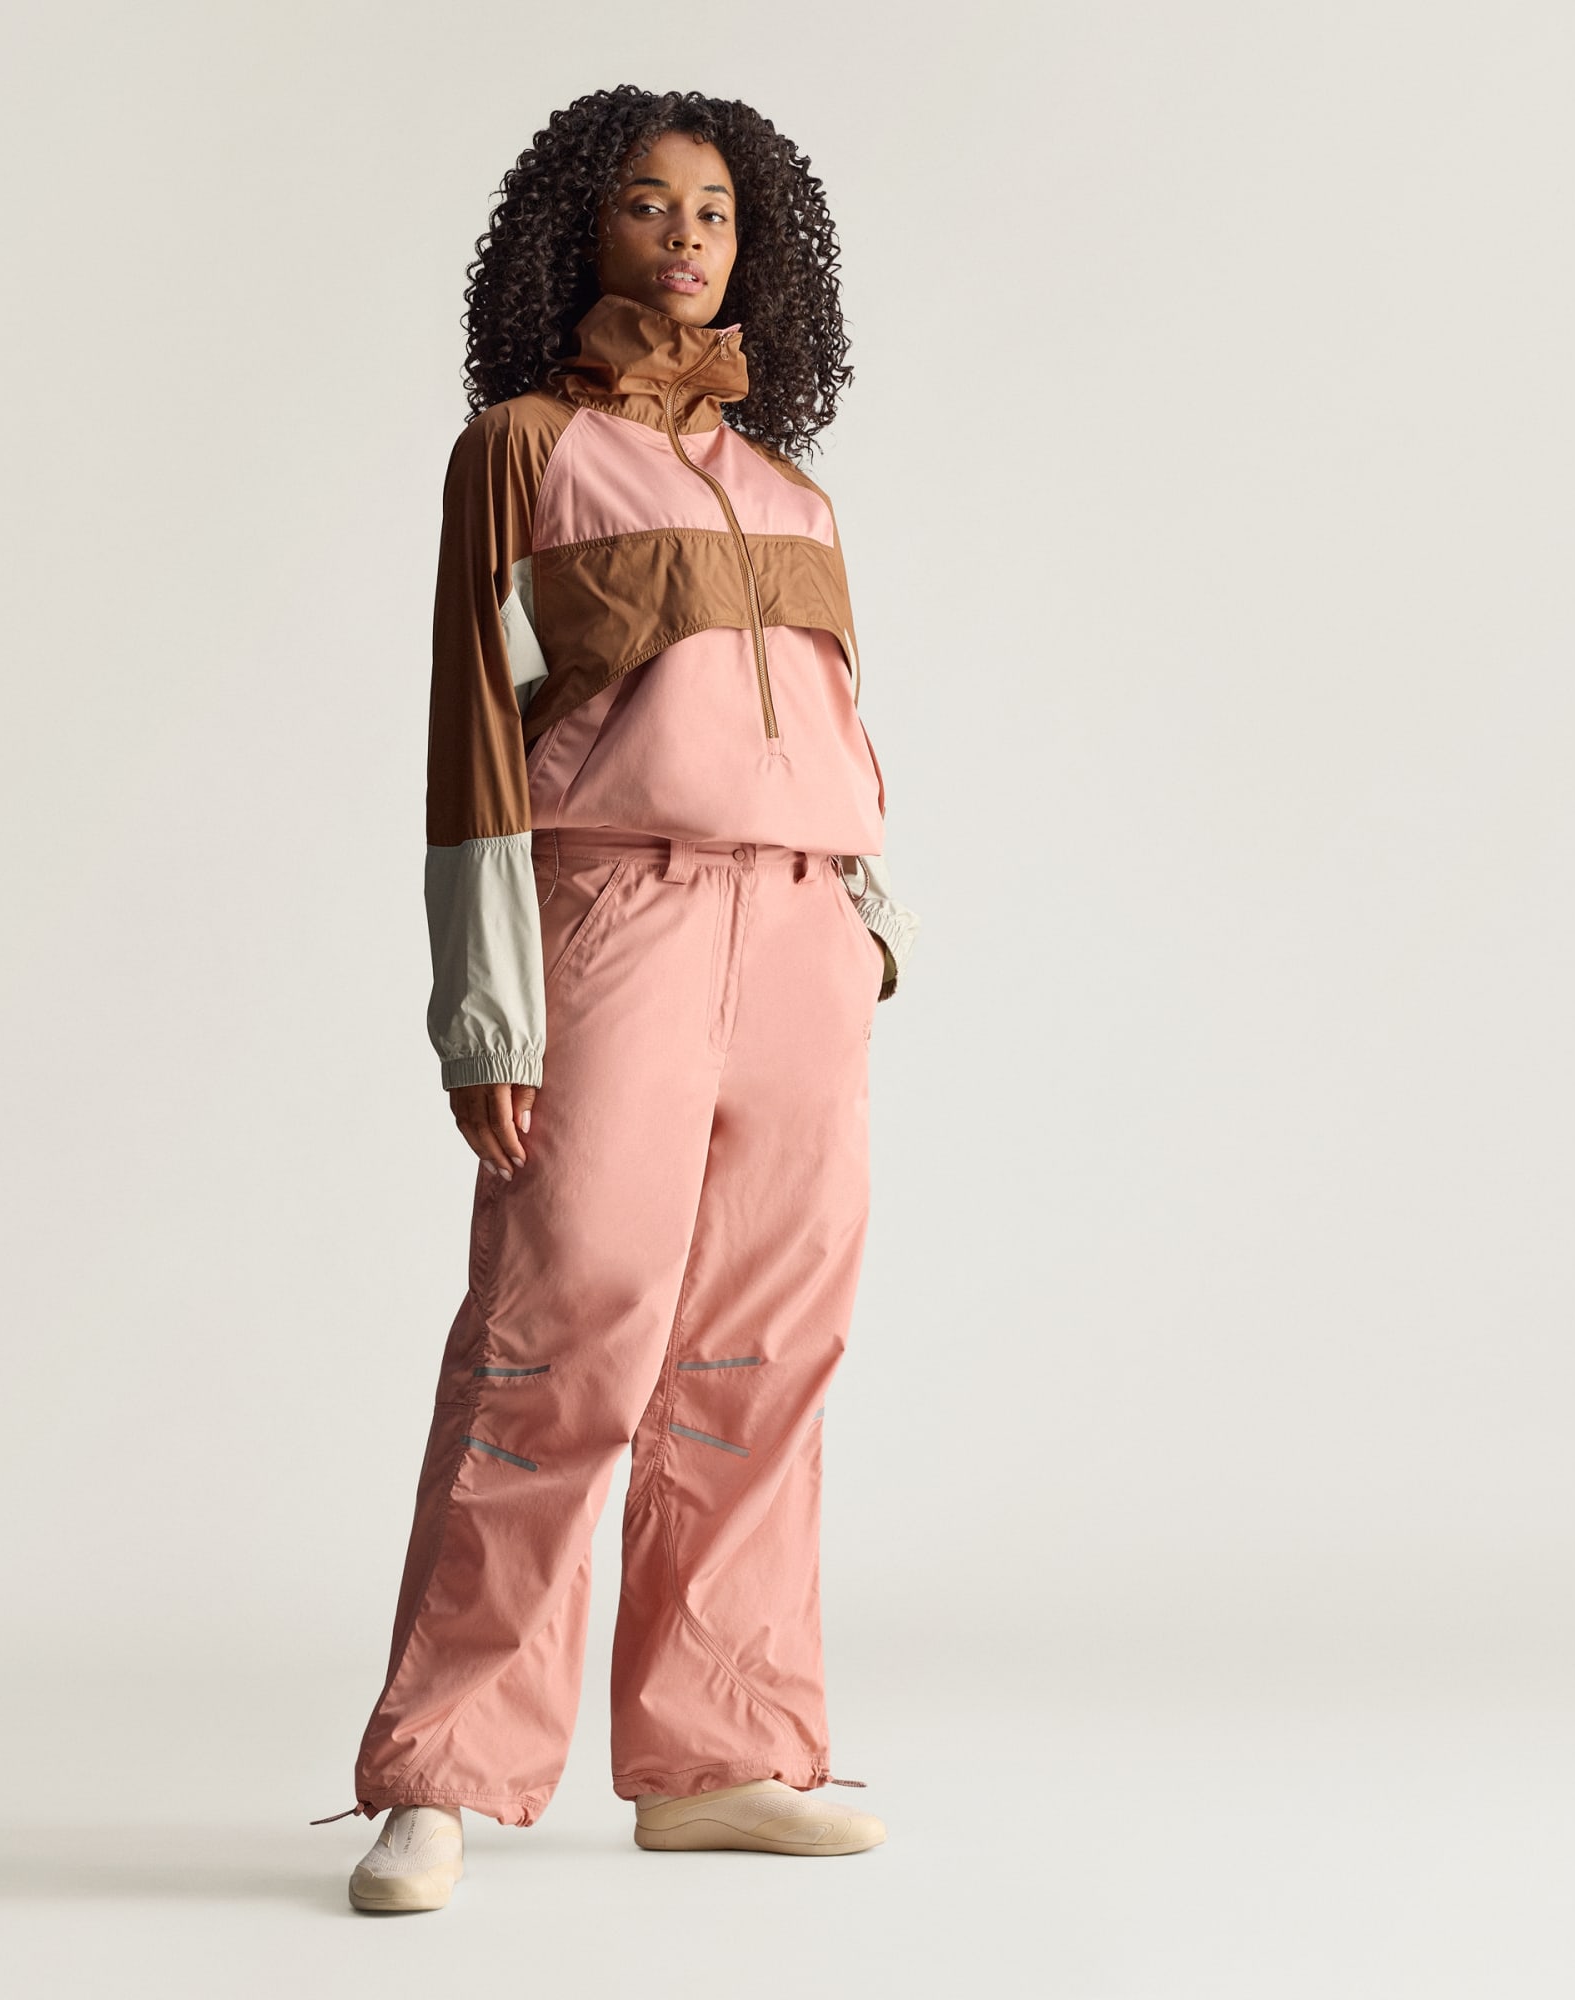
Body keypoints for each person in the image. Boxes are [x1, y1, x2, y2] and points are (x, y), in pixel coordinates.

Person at [325, 86, 920, 1913]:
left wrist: (870, 923)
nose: (684, 238)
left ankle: (722, 1753)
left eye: (716, 212)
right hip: (616, 915)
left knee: (766, 1344)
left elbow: (833, 720)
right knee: (564, 1324)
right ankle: (443, 1770)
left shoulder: (792, 489)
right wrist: (487, 1010)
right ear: (581, 229)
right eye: (649, 205)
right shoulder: (523, 452)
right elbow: (475, 738)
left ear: (758, 249)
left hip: (804, 933)